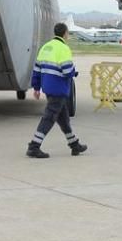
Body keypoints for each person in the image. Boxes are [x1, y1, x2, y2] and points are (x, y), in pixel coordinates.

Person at [26, 22, 87, 159]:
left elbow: (37, 69)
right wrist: (73, 72)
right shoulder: (63, 49)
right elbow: (67, 70)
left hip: (48, 87)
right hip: (59, 88)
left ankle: (74, 145)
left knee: (63, 118)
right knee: (49, 118)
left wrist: (36, 87)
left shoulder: (46, 47)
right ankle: (34, 146)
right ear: (65, 34)